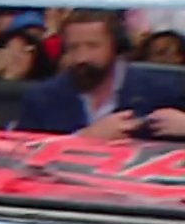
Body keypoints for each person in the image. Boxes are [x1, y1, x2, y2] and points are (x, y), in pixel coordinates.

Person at [15, 10, 185, 140]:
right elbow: (22, 154)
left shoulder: (163, 91)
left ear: (116, 46)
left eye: (93, 46)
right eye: (73, 47)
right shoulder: (42, 98)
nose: (82, 57)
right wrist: (85, 138)